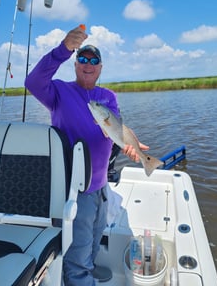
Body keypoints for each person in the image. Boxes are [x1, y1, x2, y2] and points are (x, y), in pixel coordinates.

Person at [25, 26, 148, 286]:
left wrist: (129, 142)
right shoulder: (58, 92)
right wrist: (63, 49)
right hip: (74, 191)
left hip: (101, 187)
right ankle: (80, 280)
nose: (88, 64)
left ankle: (86, 274)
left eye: (94, 61)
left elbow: (114, 127)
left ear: (101, 68)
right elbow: (32, 82)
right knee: (78, 256)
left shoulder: (108, 96)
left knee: (92, 244)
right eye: (83, 59)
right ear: (75, 64)